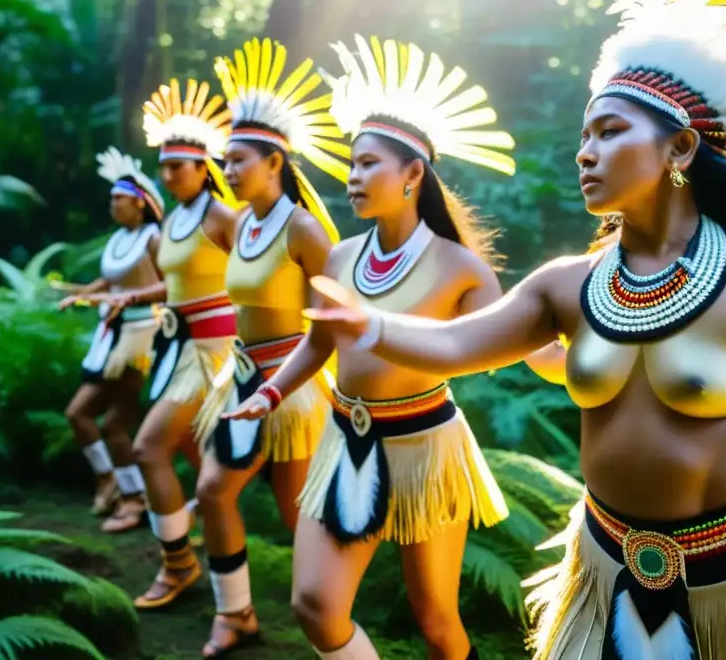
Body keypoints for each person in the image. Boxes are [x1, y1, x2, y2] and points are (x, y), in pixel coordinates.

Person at [304, 0, 726, 659]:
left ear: (680, 146)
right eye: (584, 137)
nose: (585, 153)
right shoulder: (567, 284)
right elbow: (462, 345)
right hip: (606, 566)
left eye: (609, 132)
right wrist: (368, 324)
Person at [222, 35, 564, 659]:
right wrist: (270, 392)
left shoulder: (459, 267)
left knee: (436, 621)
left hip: (427, 449)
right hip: (347, 442)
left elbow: (513, 342)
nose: (352, 177)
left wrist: (589, 365)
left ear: (412, 174)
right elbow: (320, 341)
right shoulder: (342, 256)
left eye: (368, 164)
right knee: (315, 606)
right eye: (350, 165)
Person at [190, 37, 348, 657]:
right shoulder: (242, 223)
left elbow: (334, 316)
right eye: (225, 162)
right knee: (240, 496)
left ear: (275, 161)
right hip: (242, 376)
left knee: (285, 511)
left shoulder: (306, 228)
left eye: (238, 161)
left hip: (294, 384)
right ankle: (239, 615)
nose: (227, 171)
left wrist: (293, 378)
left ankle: (330, 622)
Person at [92, 79, 242, 609]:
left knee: (149, 447)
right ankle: (200, 561)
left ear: (205, 168)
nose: (167, 173)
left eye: (177, 165)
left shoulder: (223, 217)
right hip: (177, 347)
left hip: (214, 350)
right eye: (162, 165)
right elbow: (174, 286)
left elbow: (260, 275)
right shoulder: (176, 219)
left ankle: (179, 563)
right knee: (193, 455)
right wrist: (128, 295)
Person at [56, 147, 164, 532]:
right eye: (112, 198)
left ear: (140, 204)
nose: (113, 203)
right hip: (111, 335)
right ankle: (117, 484)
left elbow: (173, 286)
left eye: (120, 198)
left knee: (112, 422)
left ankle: (132, 498)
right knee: (87, 417)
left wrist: (128, 298)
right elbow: (111, 280)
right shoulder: (120, 237)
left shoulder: (153, 238)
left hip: (141, 338)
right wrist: (84, 293)